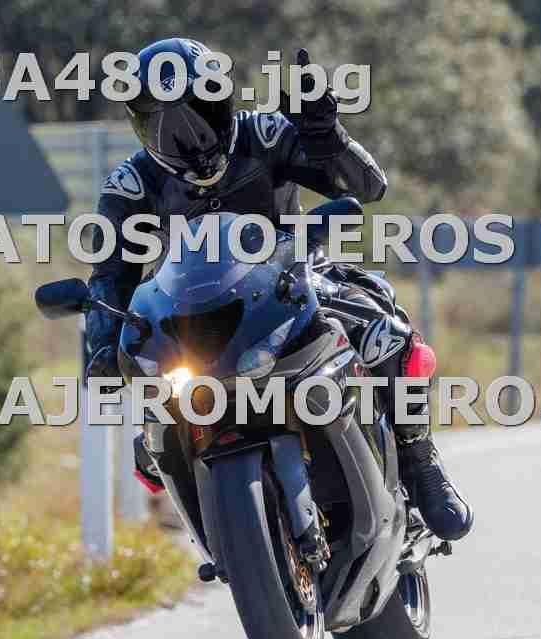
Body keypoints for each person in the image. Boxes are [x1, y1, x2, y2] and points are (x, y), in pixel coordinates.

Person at [86, 38, 472, 541]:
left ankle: (422, 461)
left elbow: (367, 187)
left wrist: (327, 136)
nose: (188, 136)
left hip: (295, 281)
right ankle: (216, 533)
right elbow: (109, 277)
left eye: (197, 111)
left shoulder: (264, 132)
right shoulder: (131, 184)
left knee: (387, 334)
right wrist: (102, 347)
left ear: (222, 97)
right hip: (193, 316)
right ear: (140, 126)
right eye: (163, 124)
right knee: (151, 442)